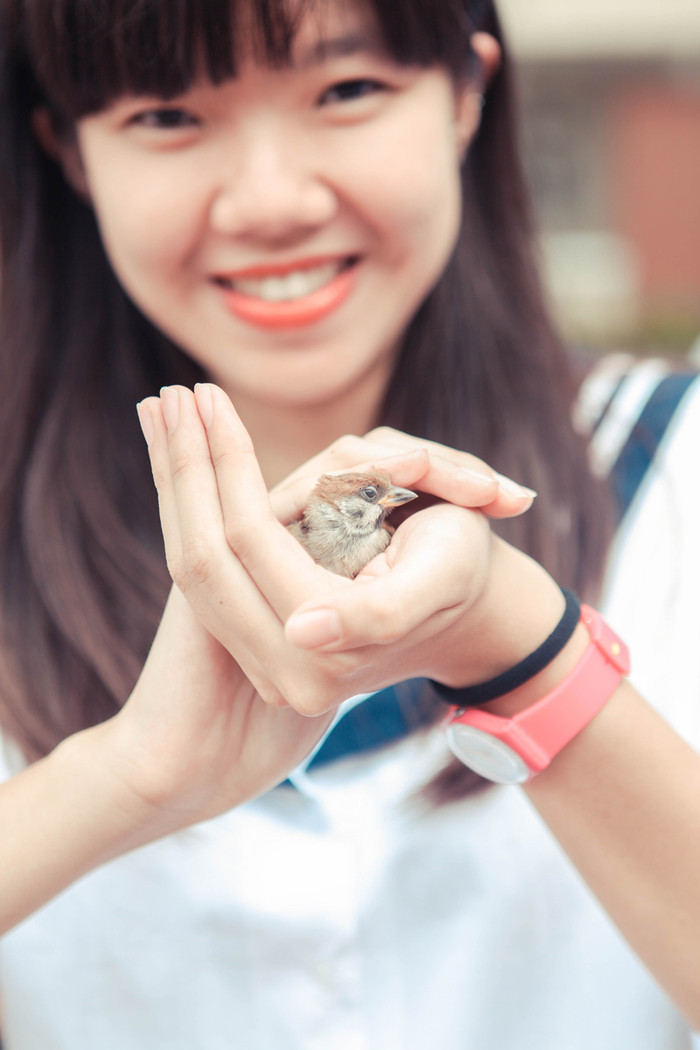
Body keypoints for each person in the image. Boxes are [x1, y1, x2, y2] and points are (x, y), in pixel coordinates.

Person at [0, 0, 699, 1046]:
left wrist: (523, 651)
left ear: (466, 93)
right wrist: (117, 778)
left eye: (346, 91)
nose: (270, 202)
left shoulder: (674, 465)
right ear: (70, 147)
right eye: (167, 116)